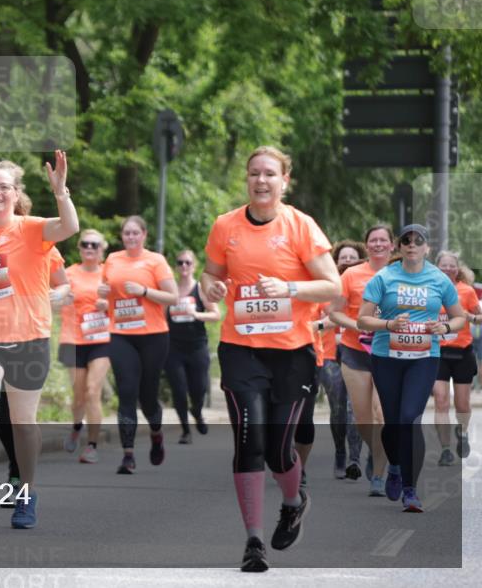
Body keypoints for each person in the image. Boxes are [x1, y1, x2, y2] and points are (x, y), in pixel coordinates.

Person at [200, 146, 340, 572]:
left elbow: (331, 285)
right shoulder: (226, 225)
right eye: (254, 174)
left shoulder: (301, 226)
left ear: (285, 181)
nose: (261, 181)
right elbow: (211, 273)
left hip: (292, 353)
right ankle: (253, 543)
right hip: (241, 348)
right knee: (250, 440)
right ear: (247, 179)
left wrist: (289, 290)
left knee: (280, 449)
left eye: (270, 174)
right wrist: (213, 287)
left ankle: (294, 502)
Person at [0, 151, 78, 529]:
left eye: (4, 187)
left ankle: (26, 491)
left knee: (23, 424)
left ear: (15, 193)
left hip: (28, 339)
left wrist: (61, 192)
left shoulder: (32, 229)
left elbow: (70, 227)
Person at [358, 224, 466, 512]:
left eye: (419, 241)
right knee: (392, 423)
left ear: (426, 247)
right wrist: (388, 325)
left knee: (409, 418)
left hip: (423, 358)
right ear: (399, 246)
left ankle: (410, 489)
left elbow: (459, 318)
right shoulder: (384, 277)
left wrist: (443, 326)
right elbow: (362, 320)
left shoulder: (439, 280)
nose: (412, 245)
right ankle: (394, 465)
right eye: (407, 240)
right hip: (387, 357)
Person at [98, 216, 178, 474]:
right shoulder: (112, 259)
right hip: (120, 333)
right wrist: (103, 296)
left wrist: (144, 291)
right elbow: (107, 291)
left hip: (153, 335)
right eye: (126, 233)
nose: (130, 237)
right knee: (127, 391)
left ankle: (156, 434)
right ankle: (128, 455)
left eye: (135, 233)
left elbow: (173, 297)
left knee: (148, 396)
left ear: (144, 235)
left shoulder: (156, 261)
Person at [0, 246, 68, 503]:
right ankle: (19, 470)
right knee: (1, 418)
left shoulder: (41, 243)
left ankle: (21, 480)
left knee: (22, 419)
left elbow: (64, 287)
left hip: (31, 338)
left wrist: (56, 295)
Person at [329, 226, 394, 495]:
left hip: (389, 352)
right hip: (355, 351)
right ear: (366, 246)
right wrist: (357, 325)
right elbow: (334, 313)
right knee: (363, 418)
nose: (378, 244)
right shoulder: (352, 274)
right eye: (373, 240)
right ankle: (373, 450)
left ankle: (379, 473)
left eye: (383, 240)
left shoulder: (403, 276)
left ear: (392, 245)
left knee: (381, 415)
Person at [294, 241, 366, 482]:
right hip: (329, 355)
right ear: (335, 261)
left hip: (357, 351)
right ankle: (340, 452)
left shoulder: (364, 285)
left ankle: (354, 459)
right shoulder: (327, 287)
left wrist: (332, 321)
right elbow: (317, 315)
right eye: (343, 257)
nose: (347, 260)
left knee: (353, 408)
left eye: (352, 257)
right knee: (337, 406)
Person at [59, 230, 112, 463]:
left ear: (103, 249)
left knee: (93, 391)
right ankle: (76, 426)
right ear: (79, 248)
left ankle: (92, 445)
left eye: (95, 244)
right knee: (79, 396)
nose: (89, 248)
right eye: (85, 244)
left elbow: (125, 305)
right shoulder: (69, 273)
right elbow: (52, 300)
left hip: (101, 339)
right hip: (73, 339)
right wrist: (62, 298)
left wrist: (107, 305)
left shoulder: (109, 275)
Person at [164, 249, 220, 445]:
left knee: (199, 389)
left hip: (197, 347)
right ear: (176, 267)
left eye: (188, 262)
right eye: (180, 263)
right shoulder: (171, 292)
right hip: (173, 348)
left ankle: (197, 411)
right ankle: (185, 430)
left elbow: (216, 315)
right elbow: (161, 316)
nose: (184, 266)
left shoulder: (201, 290)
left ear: (194, 266)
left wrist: (197, 314)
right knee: (178, 390)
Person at [432, 251, 481, 464]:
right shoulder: (429, 290)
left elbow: (480, 317)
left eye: (452, 265)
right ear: (437, 268)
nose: (448, 269)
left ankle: (462, 433)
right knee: (441, 401)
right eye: (444, 265)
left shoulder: (467, 291)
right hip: (438, 352)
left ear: (457, 268)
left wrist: (470, 317)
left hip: (462, 352)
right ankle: (445, 450)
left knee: (462, 404)